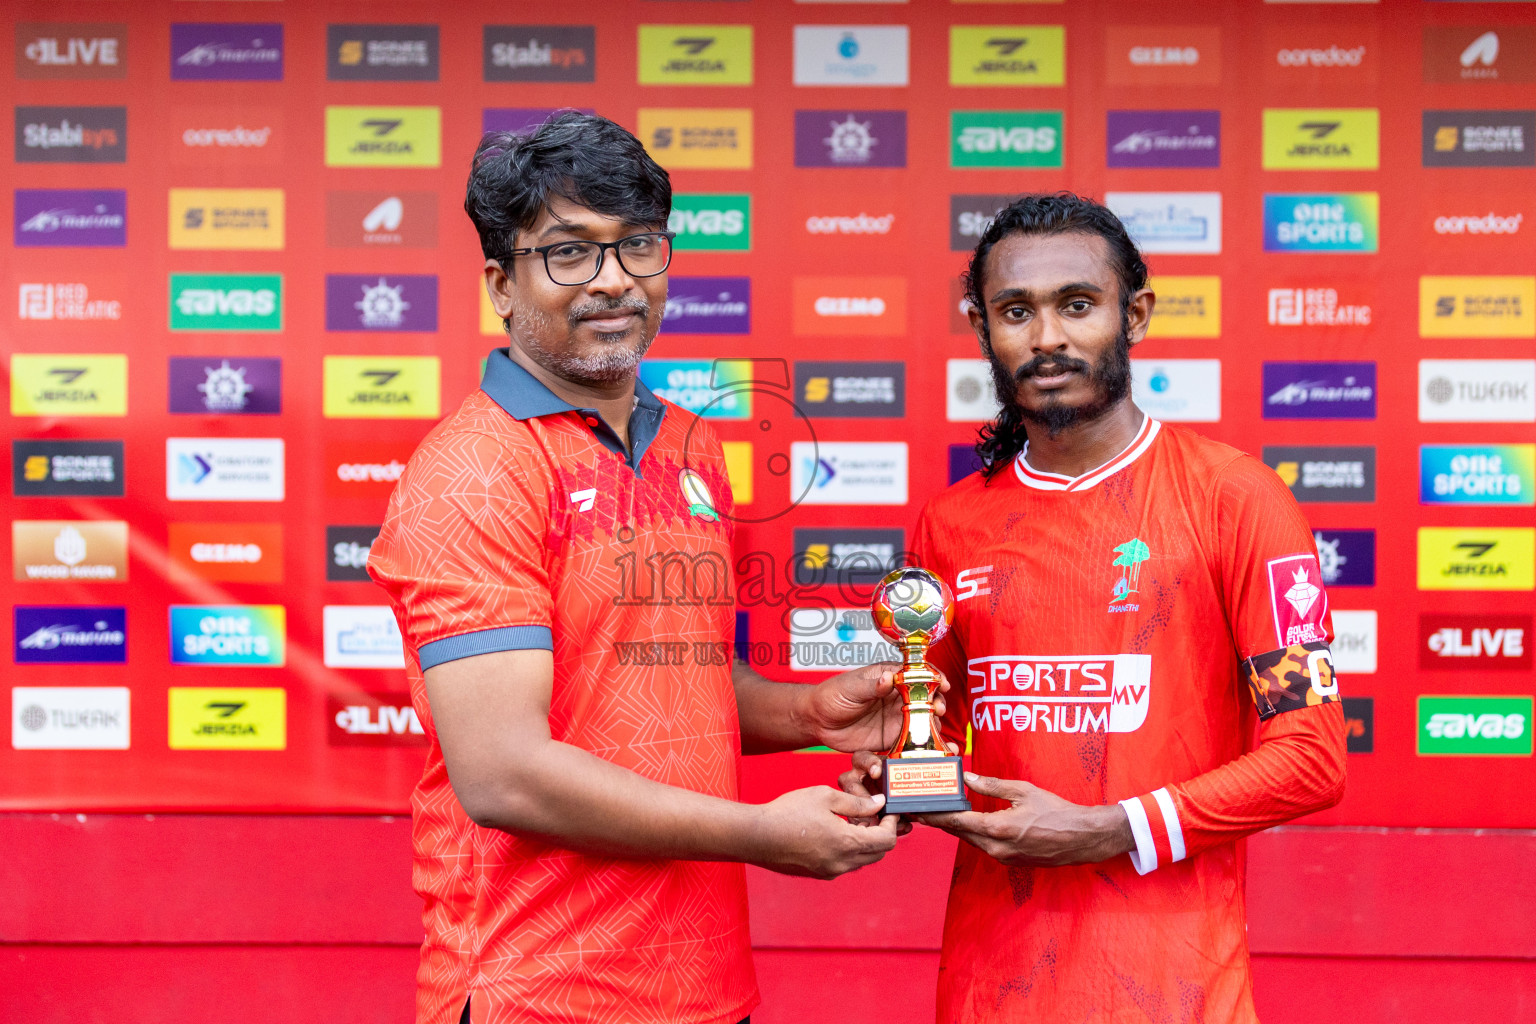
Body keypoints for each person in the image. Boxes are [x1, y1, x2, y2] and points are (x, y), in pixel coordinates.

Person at [368, 112, 918, 1024]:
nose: (614, 278)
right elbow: (503, 771)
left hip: (705, 986)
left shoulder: (694, 446)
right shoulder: (471, 471)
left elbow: (680, 680)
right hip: (541, 992)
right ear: (502, 285)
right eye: (570, 253)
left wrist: (813, 713)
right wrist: (758, 835)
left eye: (638, 246)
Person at [842, 192, 1347, 1023]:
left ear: (1134, 314)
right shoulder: (951, 523)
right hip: (989, 986)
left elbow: (1313, 756)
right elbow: (937, 734)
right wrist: (895, 780)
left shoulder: (1237, 499)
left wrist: (1115, 827)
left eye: (1076, 305)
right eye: (1016, 312)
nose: (1047, 338)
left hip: (1176, 989)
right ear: (983, 329)